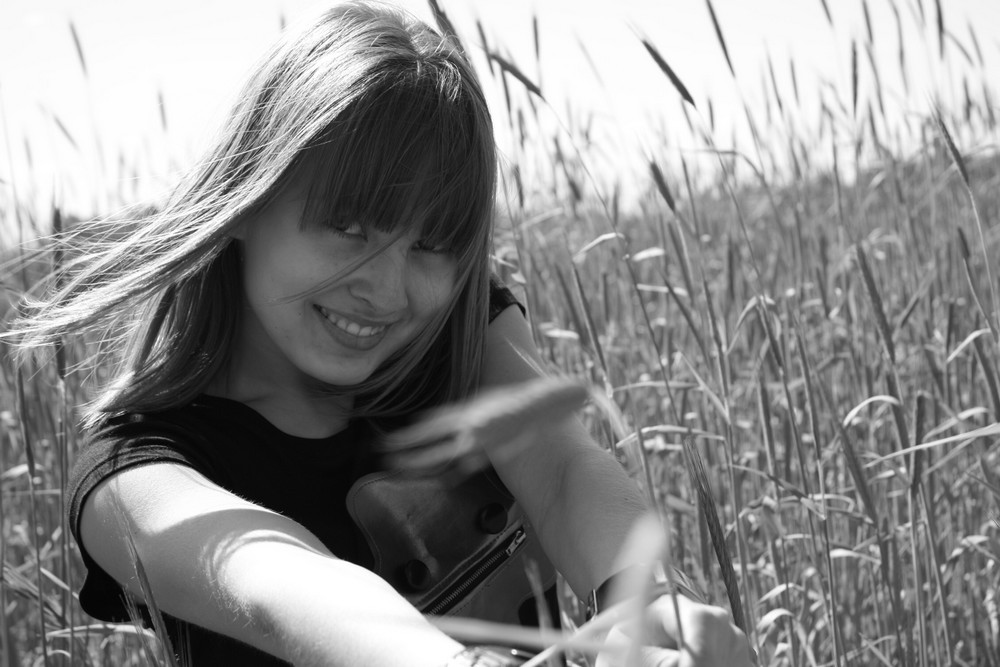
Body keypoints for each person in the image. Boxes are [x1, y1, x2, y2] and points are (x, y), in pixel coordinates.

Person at [6, 2, 751, 665]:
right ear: (245, 200)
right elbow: (279, 588)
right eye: (348, 225)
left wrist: (642, 601)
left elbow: (558, 464)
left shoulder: (462, 336)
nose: (389, 291)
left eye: (432, 244)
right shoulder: (132, 476)